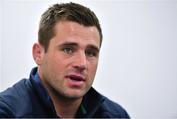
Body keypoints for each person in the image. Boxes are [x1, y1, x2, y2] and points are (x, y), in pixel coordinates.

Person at [0, 2, 130, 118]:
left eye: (90, 53)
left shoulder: (116, 115)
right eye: (68, 50)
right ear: (38, 53)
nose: (82, 64)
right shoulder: (7, 112)